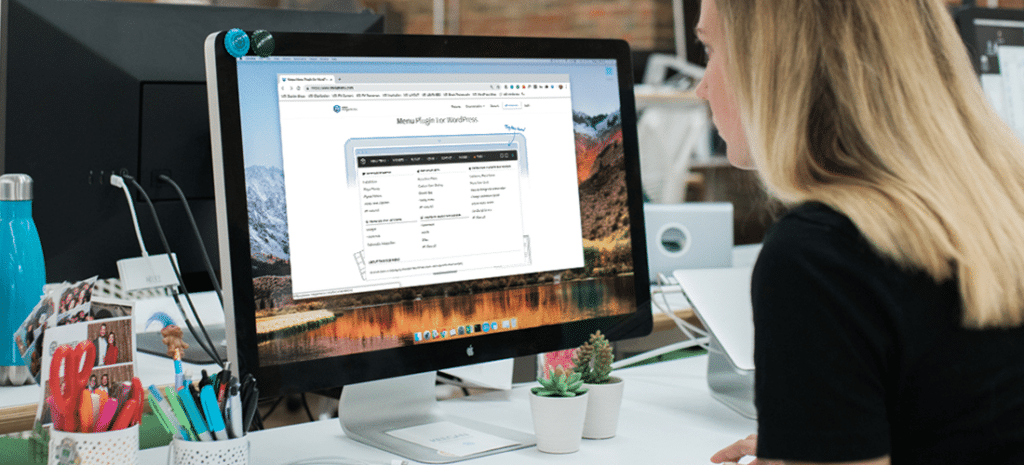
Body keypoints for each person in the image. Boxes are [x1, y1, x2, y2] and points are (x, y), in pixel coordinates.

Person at [694, 0, 1024, 464]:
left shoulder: (823, 255)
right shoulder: (1001, 207)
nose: (701, 88)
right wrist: (824, 438)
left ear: (771, 62)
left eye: (710, 50)